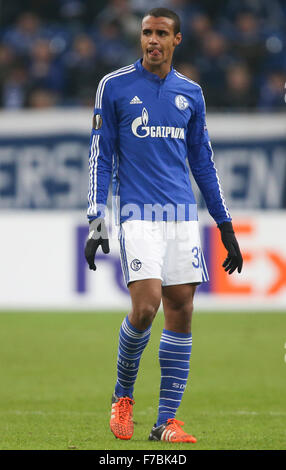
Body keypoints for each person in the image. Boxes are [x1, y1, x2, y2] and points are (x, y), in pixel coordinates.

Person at [84, 7, 243, 443]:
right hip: (138, 215)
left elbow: (203, 163)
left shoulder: (191, 93)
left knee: (182, 311)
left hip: (181, 218)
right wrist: (97, 216)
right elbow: (102, 153)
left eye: (161, 34)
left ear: (177, 40)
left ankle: (165, 423)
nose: (152, 40)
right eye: (146, 33)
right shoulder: (114, 86)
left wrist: (225, 225)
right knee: (146, 305)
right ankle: (123, 397)